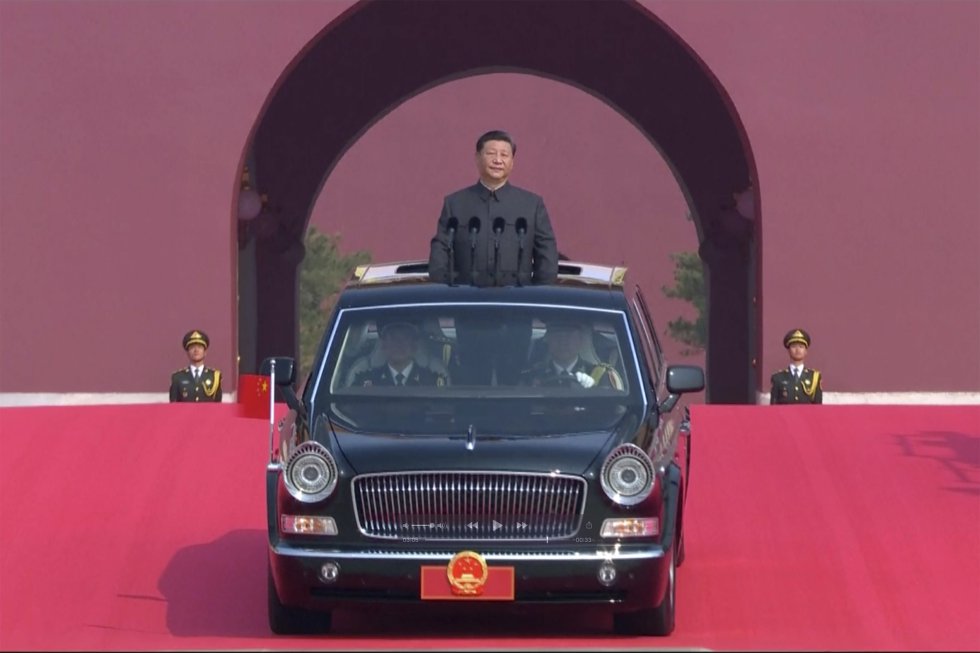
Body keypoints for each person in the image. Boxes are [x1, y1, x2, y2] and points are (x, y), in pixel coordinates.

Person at [428, 129, 559, 287]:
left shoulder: (532, 205)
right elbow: (440, 256)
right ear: (477, 158)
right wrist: (448, 294)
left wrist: (534, 298)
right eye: (491, 153)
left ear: (512, 161)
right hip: (465, 301)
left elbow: (547, 259)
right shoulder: (455, 203)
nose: (498, 160)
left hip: (517, 301)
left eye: (504, 155)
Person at [519, 318, 624, 390]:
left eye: (570, 335)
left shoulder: (600, 377)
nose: (563, 342)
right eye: (557, 335)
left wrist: (592, 391)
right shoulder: (531, 377)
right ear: (548, 339)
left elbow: (610, 414)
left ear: (581, 340)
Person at [350, 321, 448, 387]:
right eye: (393, 338)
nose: (399, 344)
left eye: (405, 338)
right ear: (384, 345)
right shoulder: (364, 381)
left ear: (414, 346)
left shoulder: (433, 382)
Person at [769, 328, 823, 404]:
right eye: (794, 346)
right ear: (788, 351)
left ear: (806, 351)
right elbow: (773, 407)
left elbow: (818, 406)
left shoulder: (814, 377)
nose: (797, 350)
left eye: (801, 347)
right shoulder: (778, 378)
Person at [170, 329, 223, 402]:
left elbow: (218, 406)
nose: (196, 350)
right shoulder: (178, 377)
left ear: (205, 352)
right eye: (192, 347)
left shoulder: (214, 376)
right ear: (188, 353)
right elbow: (173, 406)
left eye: (200, 347)